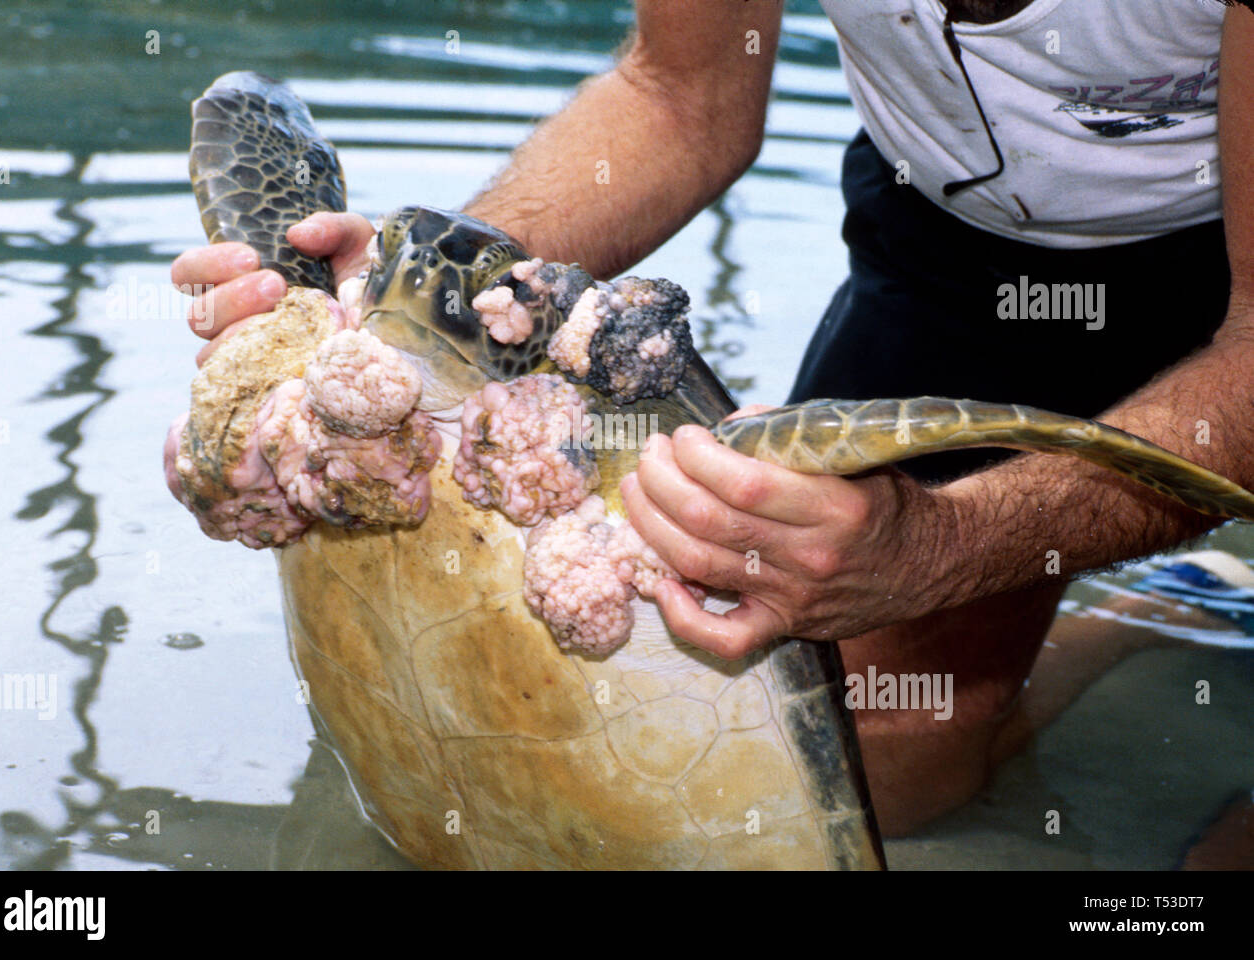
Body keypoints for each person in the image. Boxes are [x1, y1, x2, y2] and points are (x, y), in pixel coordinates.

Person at [172, 0, 1254, 835]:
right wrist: (418, 310)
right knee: (879, 759)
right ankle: (1160, 607)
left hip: (1217, 259)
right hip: (953, 235)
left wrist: (950, 546)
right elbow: (676, 99)